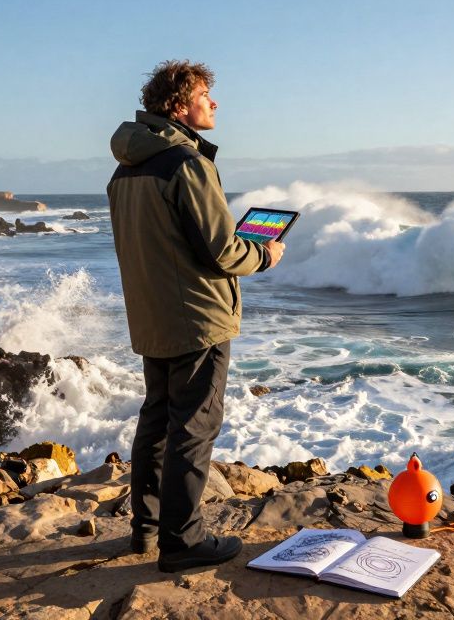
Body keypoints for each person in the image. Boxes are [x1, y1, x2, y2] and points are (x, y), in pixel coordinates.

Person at [107, 60, 284, 572]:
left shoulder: (126, 168)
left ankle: (146, 529)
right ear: (180, 104)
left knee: (157, 421)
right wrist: (265, 254)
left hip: (151, 313)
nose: (215, 103)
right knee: (194, 426)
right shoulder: (187, 164)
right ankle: (183, 542)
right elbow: (222, 251)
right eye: (206, 94)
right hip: (197, 316)